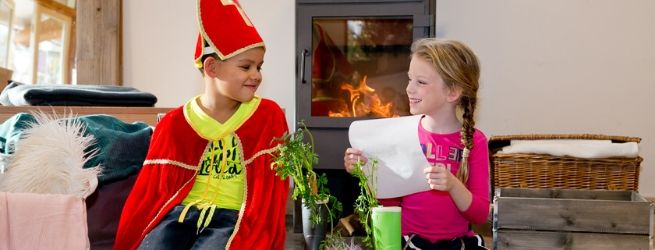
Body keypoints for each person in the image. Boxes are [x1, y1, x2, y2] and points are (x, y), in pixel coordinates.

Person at [114, 1, 289, 249]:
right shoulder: (174, 124)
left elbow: (272, 193)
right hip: (179, 216)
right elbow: (149, 195)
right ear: (212, 67)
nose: (257, 75)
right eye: (246, 66)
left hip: (233, 219)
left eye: (259, 66)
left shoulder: (266, 115)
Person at [344, 38, 489, 250]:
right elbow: (390, 204)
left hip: (458, 244)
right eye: (409, 79)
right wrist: (367, 172)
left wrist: (453, 185)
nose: (409, 89)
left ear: (452, 92)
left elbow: (480, 213)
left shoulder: (475, 141)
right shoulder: (402, 133)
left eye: (420, 82)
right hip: (410, 243)